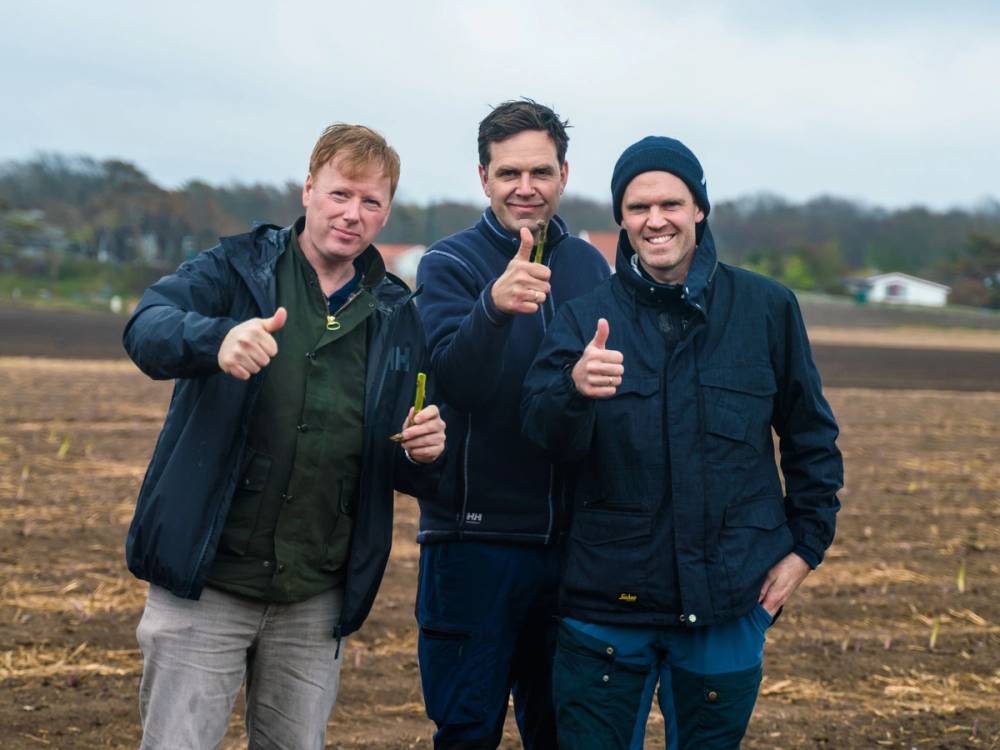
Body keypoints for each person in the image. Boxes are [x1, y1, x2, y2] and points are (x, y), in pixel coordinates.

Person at [122, 123, 446, 750]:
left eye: (371, 202)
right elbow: (147, 327)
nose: (352, 214)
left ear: (386, 213)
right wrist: (216, 339)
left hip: (313, 598)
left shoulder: (396, 313)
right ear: (308, 189)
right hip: (207, 585)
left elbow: (404, 455)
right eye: (340, 194)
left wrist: (426, 452)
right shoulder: (236, 269)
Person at [521, 136, 843, 749]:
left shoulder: (766, 309)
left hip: (729, 602)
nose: (655, 220)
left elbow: (811, 438)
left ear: (699, 209)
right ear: (621, 218)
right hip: (605, 609)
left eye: (671, 203)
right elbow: (541, 435)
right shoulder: (584, 318)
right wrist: (573, 388)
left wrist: (806, 548)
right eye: (638, 207)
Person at [413, 99, 610, 748]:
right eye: (508, 173)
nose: (525, 187)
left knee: (561, 731)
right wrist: (493, 309)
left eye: (541, 172)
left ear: (563, 174)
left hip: (569, 552)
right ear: (482, 177)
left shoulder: (588, 268)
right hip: (475, 546)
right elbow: (455, 382)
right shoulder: (450, 265)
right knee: (467, 730)